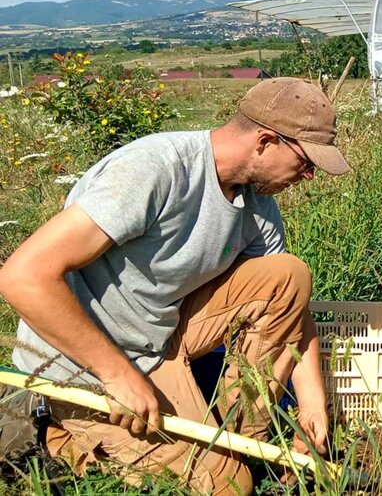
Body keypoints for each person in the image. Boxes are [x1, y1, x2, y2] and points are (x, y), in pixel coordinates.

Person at [0, 77, 350, 494]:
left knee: (289, 274)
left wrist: (312, 408)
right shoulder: (156, 169)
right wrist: (117, 375)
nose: (308, 176)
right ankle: (62, 435)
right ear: (265, 142)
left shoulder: (258, 204)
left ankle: (242, 440)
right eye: (306, 162)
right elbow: (23, 276)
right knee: (228, 487)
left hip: (162, 333)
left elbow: (292, 309)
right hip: (87, 361)